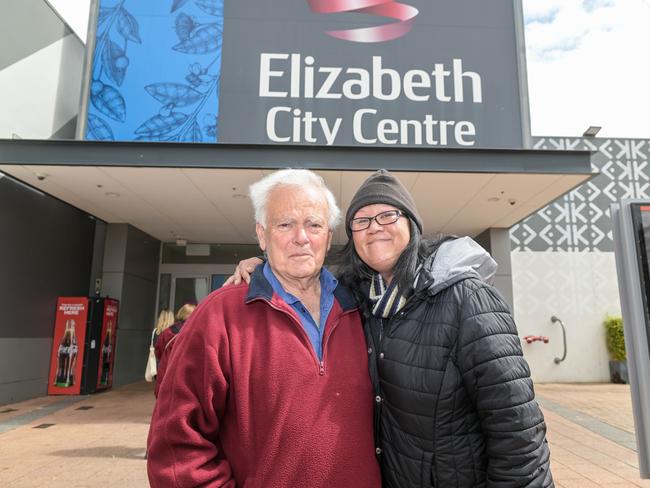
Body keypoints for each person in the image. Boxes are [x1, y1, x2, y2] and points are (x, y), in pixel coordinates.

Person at [228, 169, 554, 487]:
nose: (374, 228)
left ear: (411, 225)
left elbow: (518, 432)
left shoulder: (467, 299)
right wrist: (265, 268)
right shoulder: (360, 302)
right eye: (362, 220)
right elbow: (305, 276)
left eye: (388, 215)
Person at [146, 169, 381, 488]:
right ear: (262, 234)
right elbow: (177, 448)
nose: (302, 237)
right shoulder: (219, 316)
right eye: (286, 224)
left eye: (314, 225)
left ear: (328, 236)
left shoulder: (361, 307)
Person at [153, 303, 196, 398]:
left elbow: (158, 352)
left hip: (166, 374)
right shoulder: (196, 332)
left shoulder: (167, 332)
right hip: (186, 378)